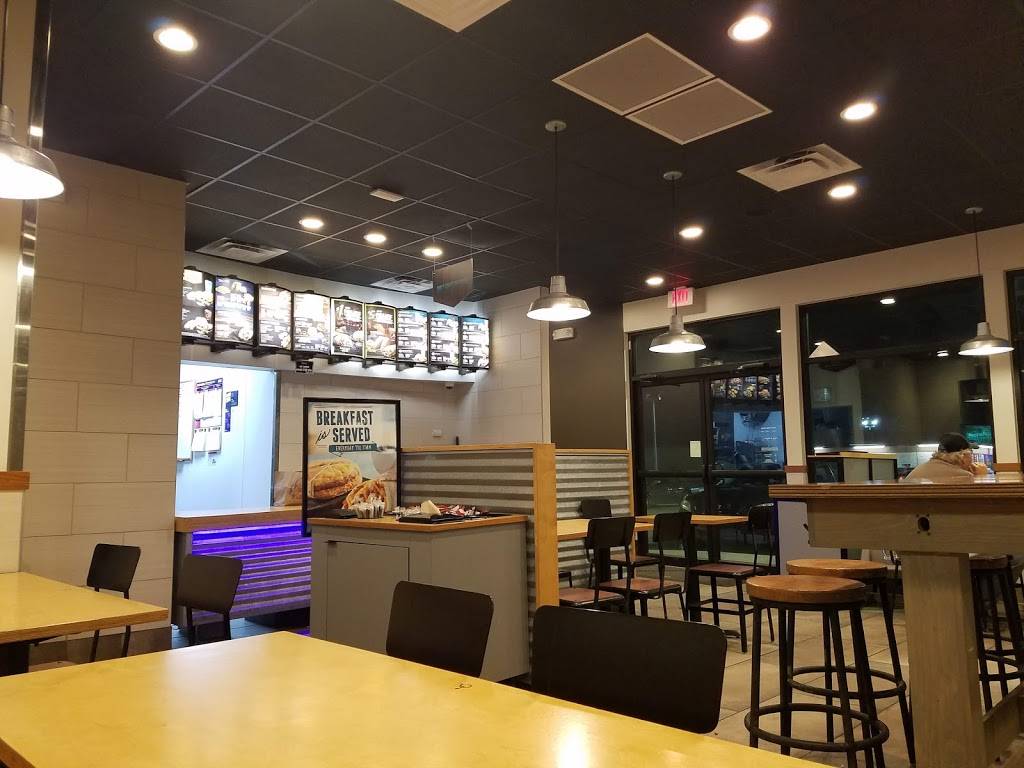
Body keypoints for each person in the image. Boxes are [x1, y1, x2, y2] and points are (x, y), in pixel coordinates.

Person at [903, 432, 989, 481]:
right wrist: (982, 477)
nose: (972, 458)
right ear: (962, 456)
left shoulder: (918, 470)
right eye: (971, 452)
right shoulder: (964, 476)